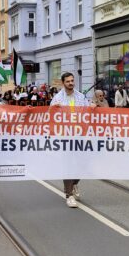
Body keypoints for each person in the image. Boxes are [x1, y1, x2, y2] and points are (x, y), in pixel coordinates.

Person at [50, 72, 90, 208]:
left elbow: (87, 112)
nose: (71, 83)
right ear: (63, 83)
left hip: (79, 136)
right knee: (68, 165)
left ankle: (73, 184)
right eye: (68, 81)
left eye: (72, 81)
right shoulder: (57, 99)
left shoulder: (80, 96)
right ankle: (69, 195)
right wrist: (52, 110)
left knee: (83, 164)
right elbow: (49, 116)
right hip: (65, 137)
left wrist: (93, 107)